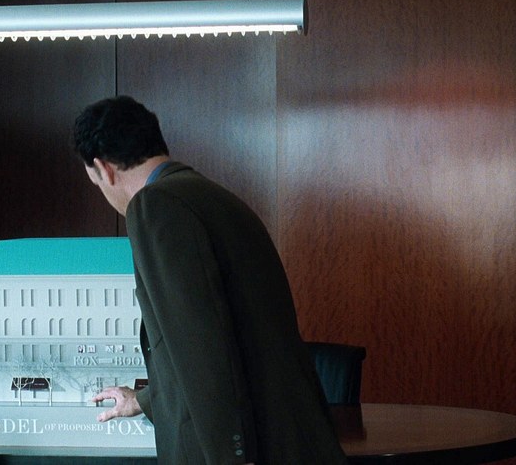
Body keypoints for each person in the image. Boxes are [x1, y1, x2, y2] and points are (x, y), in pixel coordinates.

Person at [74, 96, 347, 464]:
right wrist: (142, 400)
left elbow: (202, 346)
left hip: (248, 448)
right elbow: (222, 333)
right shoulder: (212, 197)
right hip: (290, 436)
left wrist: (231, 456)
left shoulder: (155, 206)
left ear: (103, 169)